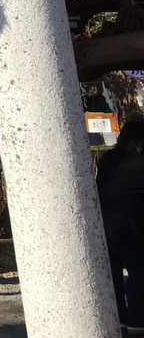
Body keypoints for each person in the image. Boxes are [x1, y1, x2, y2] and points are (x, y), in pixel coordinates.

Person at [96, 119, 144, 336]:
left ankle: (120, 322)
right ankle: (137, 323)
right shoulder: (140, 160)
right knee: (138, 277)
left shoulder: (109, 158)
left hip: (107, 226)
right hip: (134, 229)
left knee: (114, 279)